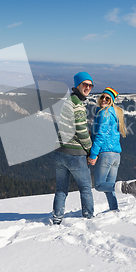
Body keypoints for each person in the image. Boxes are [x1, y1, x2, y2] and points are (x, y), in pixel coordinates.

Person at [52, 72, 95, 225]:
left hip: (59, 152)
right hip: (74, 154)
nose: (88, 88)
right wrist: (90, 150)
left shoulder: (68, 101)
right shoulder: (78, 104)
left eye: (90, 85)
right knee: (85, 188)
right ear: (77, 85)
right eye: (85, 84)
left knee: (61, 189)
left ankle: (57, 218)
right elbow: (81, 131)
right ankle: (89, 218)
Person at [88, 87, 136, 210]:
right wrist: (93, 134)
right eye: (103, 97)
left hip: (105, 154)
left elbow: (101, 135)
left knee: (99, 185)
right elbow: (106, 133)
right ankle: (114, 209)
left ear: (112, 101)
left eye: (108, 98)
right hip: (116, 156)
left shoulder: (103, 113)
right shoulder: (115, 113)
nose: (104, 100)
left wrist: (93, 154)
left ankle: (127, 187)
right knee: (109, 186)